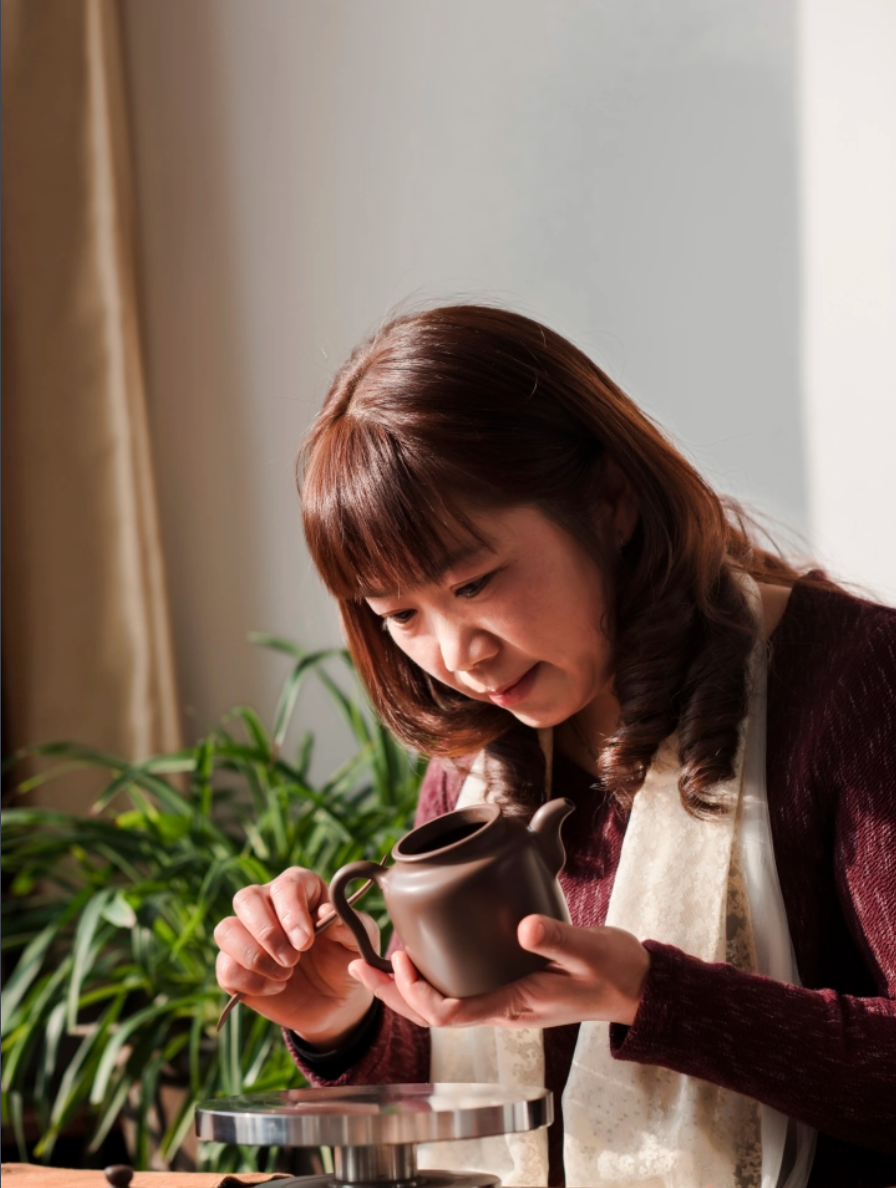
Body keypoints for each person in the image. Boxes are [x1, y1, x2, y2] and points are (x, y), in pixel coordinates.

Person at [213, 305, 896, 1188]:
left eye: (475, 582)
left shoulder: (850, 683)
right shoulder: (481, 768)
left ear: (609, 500)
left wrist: (655, 996)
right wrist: (339, 1018)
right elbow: (476, 1117)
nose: (458, 656)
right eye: (402, 616)